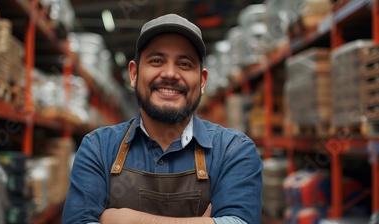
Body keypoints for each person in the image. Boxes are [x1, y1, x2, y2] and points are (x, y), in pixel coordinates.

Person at [62, 13, 263, 224]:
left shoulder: (234, 150)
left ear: (202, 82)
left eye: (184, 64)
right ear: (134, 74)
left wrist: (128, 220)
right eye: (156, 61)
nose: (170, 73)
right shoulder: (98, 148)